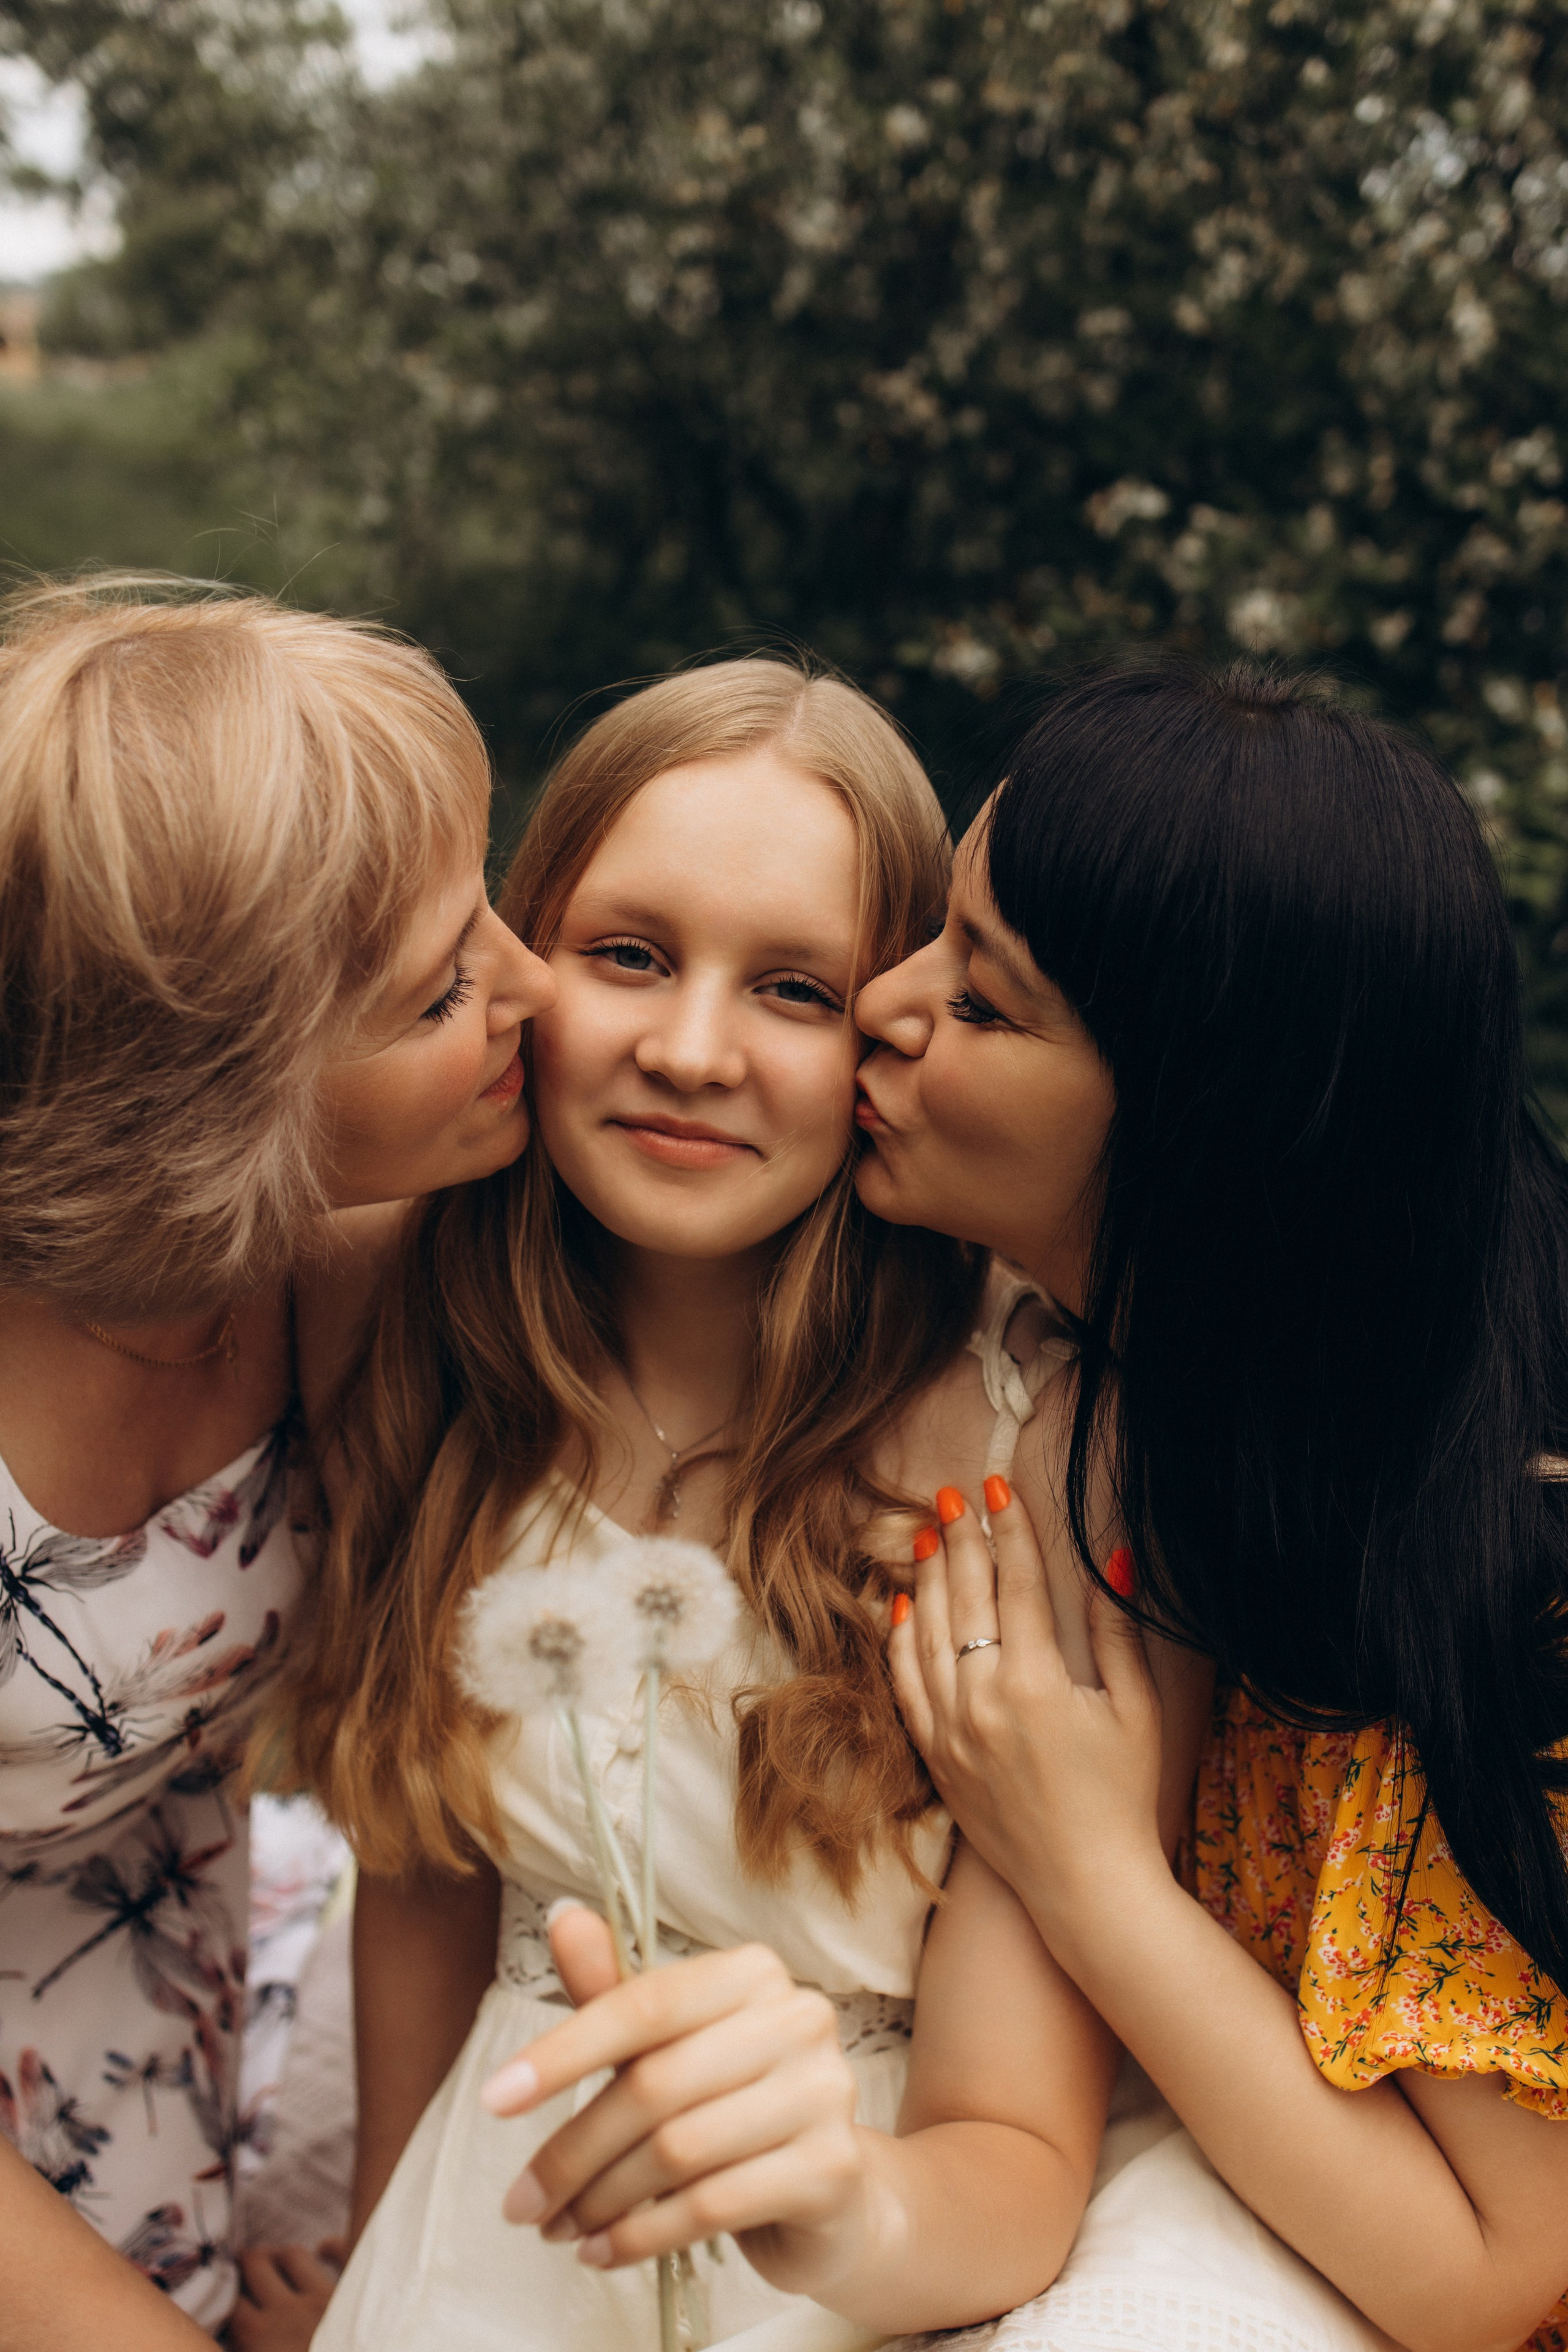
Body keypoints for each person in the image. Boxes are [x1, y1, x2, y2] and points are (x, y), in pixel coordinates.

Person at [277, 658, 1212, 2351]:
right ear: (519, 958)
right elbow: (425, 1876)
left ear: (894, 1024)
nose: (692, 1052)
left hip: (849, 2266)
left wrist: (837, 2209)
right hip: (479, 2226)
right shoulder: (399, 1321)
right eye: (629, 954)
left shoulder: (1036, 1441)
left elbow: (1008, 2173)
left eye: (792, 988)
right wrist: (365, 2267)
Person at [859, 661, 1568, 2352]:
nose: (883, 1002)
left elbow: (1493, 2273)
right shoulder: (1165, 1401)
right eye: (935, 931)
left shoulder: (1483, 1573)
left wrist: (1092, 1870)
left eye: (984, 1001)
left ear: (1207, 1136)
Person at [0, 576, 554, 2352]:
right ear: (207, 1105)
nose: (529, 986)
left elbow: (421, 1800)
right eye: (440, 988)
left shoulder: (349, 1273)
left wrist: (396, 2287)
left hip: (151, 1922)